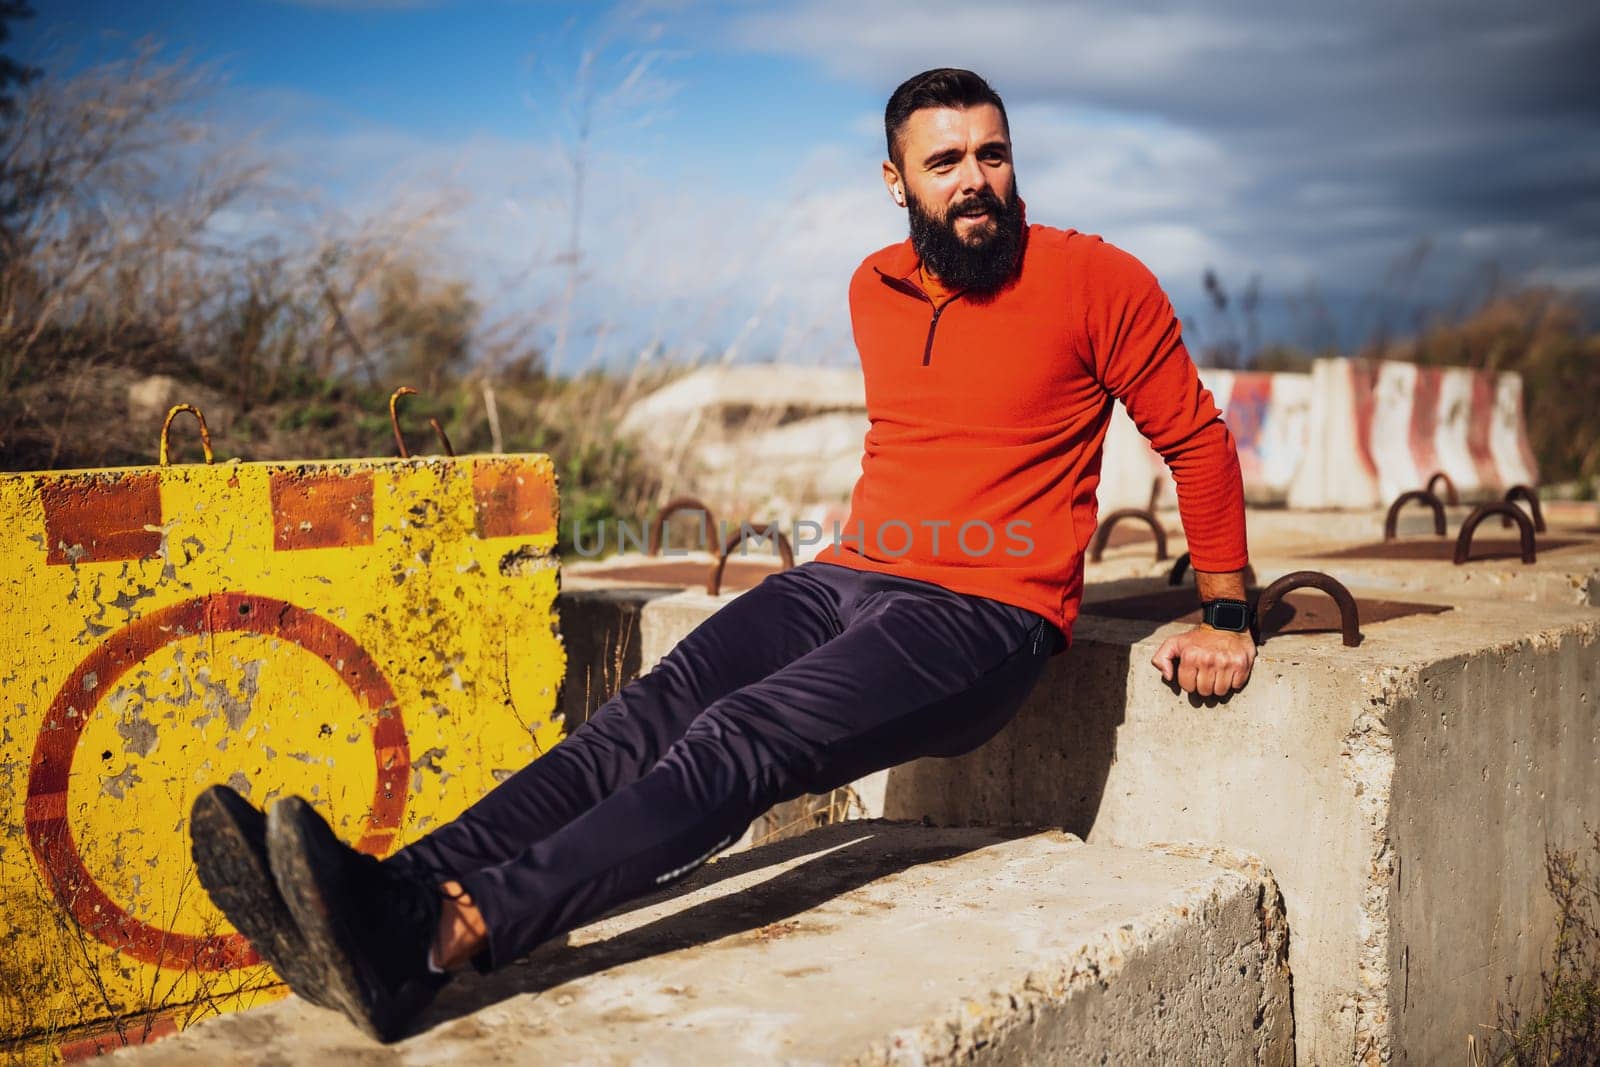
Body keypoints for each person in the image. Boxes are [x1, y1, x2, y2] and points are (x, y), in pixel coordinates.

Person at [190, 67, 1257, 1043]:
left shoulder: (1095, 277)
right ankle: (384, 895)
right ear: (896, 181)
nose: (975, 181)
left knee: (739, 733)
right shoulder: (871, 287)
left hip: (980, 614)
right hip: (844, 578)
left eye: (993, 153)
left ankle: (446, 935)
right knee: (638, 717)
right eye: (946, 162)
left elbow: (1196, 440)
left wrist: (1225, 612)